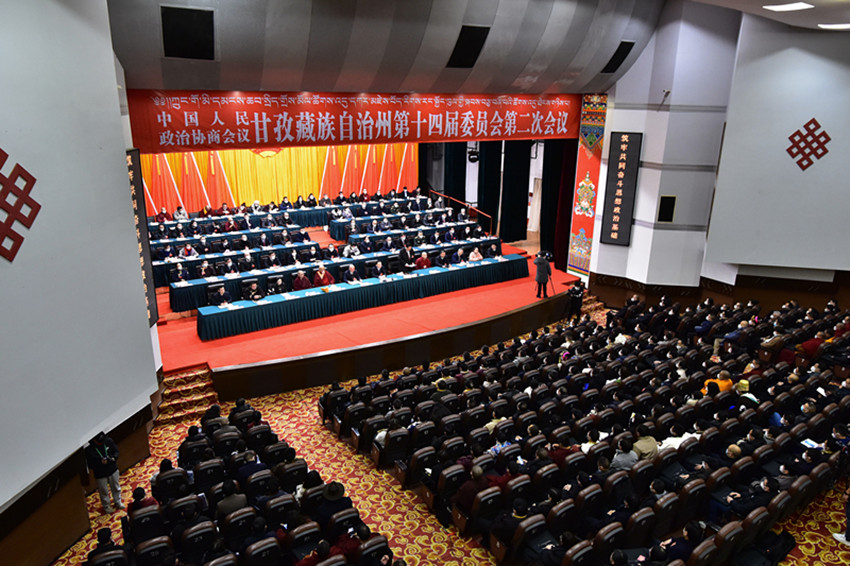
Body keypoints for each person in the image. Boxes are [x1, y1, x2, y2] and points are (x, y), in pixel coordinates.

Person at [84, 432, 124, 513]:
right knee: (103, 491)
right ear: (94, 440)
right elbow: (90, 465)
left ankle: (118, 501)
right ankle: (106, 506)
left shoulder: (108, 441)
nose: (101, 443)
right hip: (100, 473)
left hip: (112, 469)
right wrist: (100, 462)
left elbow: (116, 452)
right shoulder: (89, 450)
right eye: (99, 442)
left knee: (116, 487)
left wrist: (113, 458)